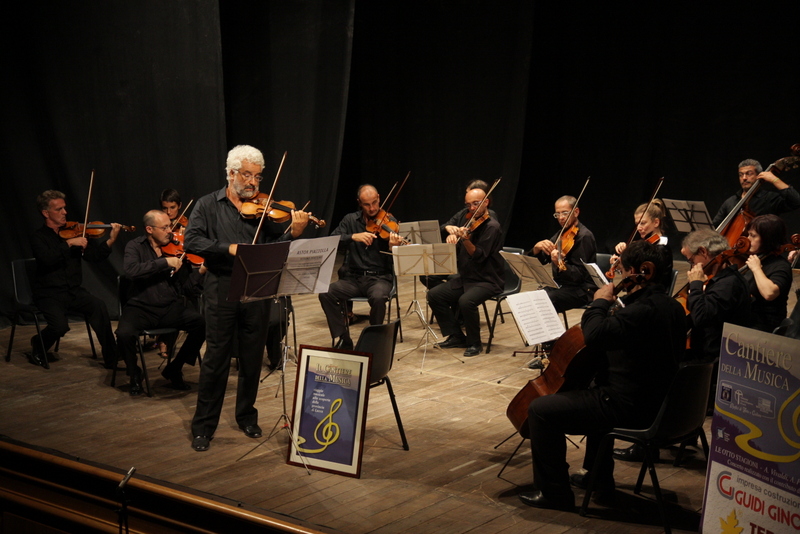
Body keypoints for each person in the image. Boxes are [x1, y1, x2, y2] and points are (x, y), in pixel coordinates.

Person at [518, 241, 686, 511]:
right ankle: (599, 479)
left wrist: (598, 302)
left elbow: (594, 335)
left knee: (540, 410)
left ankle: (555, 493)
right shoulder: (672, 308)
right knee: (597, 388)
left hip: (630, 407)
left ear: (645, 271)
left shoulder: (640, 312)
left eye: (626, 270)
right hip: (661, 405)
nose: (622, 276)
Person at [184, 145, 310, 452]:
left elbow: (274, 249)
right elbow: (192, 240)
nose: (253, 183)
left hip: (257, 288)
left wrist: (293, 233)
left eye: (257, 176)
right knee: (216, 359)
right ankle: (203, 425)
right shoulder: (206, 205)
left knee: (253, 356)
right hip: (221, 287)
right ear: (230, 173)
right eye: (247, 175)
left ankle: (246, 415)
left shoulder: (264, 209)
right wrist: (229, 248)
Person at [116, 210, 206, 396]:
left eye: (170, 227)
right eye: (164, 228)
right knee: (124, 334)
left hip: (168, 307)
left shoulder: (177, 249)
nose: (169, 232)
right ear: (149, 229)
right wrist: (164, 263)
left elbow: (188, 288)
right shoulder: (135, 246)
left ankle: (174, 368)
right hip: (140, 307)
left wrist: (202, 271)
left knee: (201, 323)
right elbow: (131, 271)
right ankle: (134, 373)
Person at [29, 190, 122, 368]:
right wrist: (68, 244)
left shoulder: (73, 232)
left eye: (65, 208)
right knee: (59, 327)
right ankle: (38, 345)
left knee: (98, 306)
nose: (65, 212)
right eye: (59, 209)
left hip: (72, 291)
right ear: (46, 213)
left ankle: (112, 356)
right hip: (48, 293)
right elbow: (46, 259)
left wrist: (110, 241)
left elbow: (93, 256)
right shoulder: (38, 237)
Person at [318, 184, 404, 351]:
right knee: (325, 293)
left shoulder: (390, 222)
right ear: (359, 203)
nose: (372, 208)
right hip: (354, 279)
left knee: (379, 298)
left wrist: (393, 247)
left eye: (374, 202)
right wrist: (353, 236)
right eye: (367, 204)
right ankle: (344, 338)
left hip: (379, 278)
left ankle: (373, 340)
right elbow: (332, 239)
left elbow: (397, 258)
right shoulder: (350, 220)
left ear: (379, 198)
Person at [428, 186, 504, 357]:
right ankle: (456, 336)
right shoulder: (466, 219)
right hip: (467, 278)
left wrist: (466, 240)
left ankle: (474, 343)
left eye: (476, 204)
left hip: (487, 280)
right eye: (468, 204)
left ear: (486, 203)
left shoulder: (492, 226)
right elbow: (448, 227)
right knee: (434, 295)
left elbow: (478, 256)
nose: (471, 208)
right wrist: (452, 234)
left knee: (466, 301)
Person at [420, 179, 500, 290]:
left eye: (473, 200)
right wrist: (449, 230)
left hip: (471, 266)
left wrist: (461, 237)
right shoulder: (464, 213)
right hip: (454, 259)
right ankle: (450, 300)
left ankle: (452, 298)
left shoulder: (490, 219)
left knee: (454, 280)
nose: (471, 206)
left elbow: (479, 247)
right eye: (468, 202)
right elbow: (442, 229)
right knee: (427, 276)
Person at [528, 195, 597, 313]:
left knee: (547, 301)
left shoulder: (584, 236)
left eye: (565, 213)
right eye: (557, 214)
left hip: (582, 290)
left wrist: (560, 264)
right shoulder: (560, 234)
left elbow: (579, 276)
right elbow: (542, 260)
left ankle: (552, 331)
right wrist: (537, 249)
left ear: (576, 212)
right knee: (532, 298)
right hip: (562, 285)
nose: (560, 218)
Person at [711, 159, 800, 228]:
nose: (744, 178)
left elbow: (796, 201)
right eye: (741, 175)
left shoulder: (769, 198)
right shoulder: (731, 201)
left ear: (759, 175)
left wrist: (774, 180)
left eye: (749, 174)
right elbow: (715, 226)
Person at [742, 214, 792, 333]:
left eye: (753, 236)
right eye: (748, 234)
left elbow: (769, 293)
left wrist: (756, 269)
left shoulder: (781, 266)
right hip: (748, 321)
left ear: (767, 238)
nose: (748, 239)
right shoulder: (757, 258)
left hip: (763, 329)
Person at [609, 199, 668, 275]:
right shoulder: (644, 245)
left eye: (642, 223)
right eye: (637, 224)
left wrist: (626, 259)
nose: (638, 228)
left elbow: (644, 276)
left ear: (656, 222)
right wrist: (621, 266)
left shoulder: (662, 248)